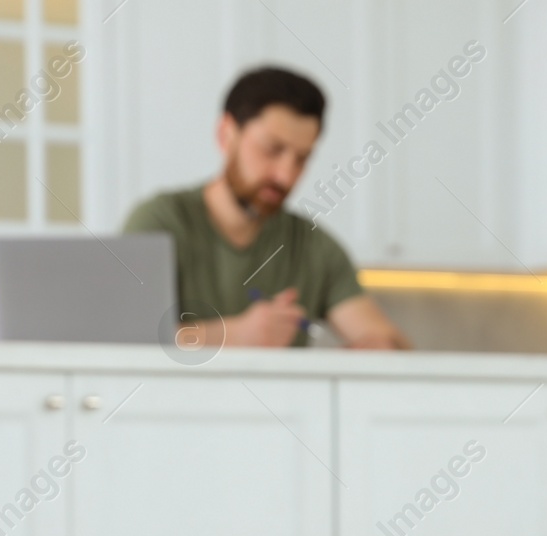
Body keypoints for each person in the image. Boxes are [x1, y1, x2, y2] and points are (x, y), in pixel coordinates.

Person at [124, 67, 410, 350]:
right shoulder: (159, 223)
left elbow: (391, 347)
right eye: (272, 150)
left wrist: (353, 361)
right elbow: (120, 341)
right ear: (226, 134)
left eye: (301, 158)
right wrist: (234, 335)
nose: (286, 176)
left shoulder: (313, 248)